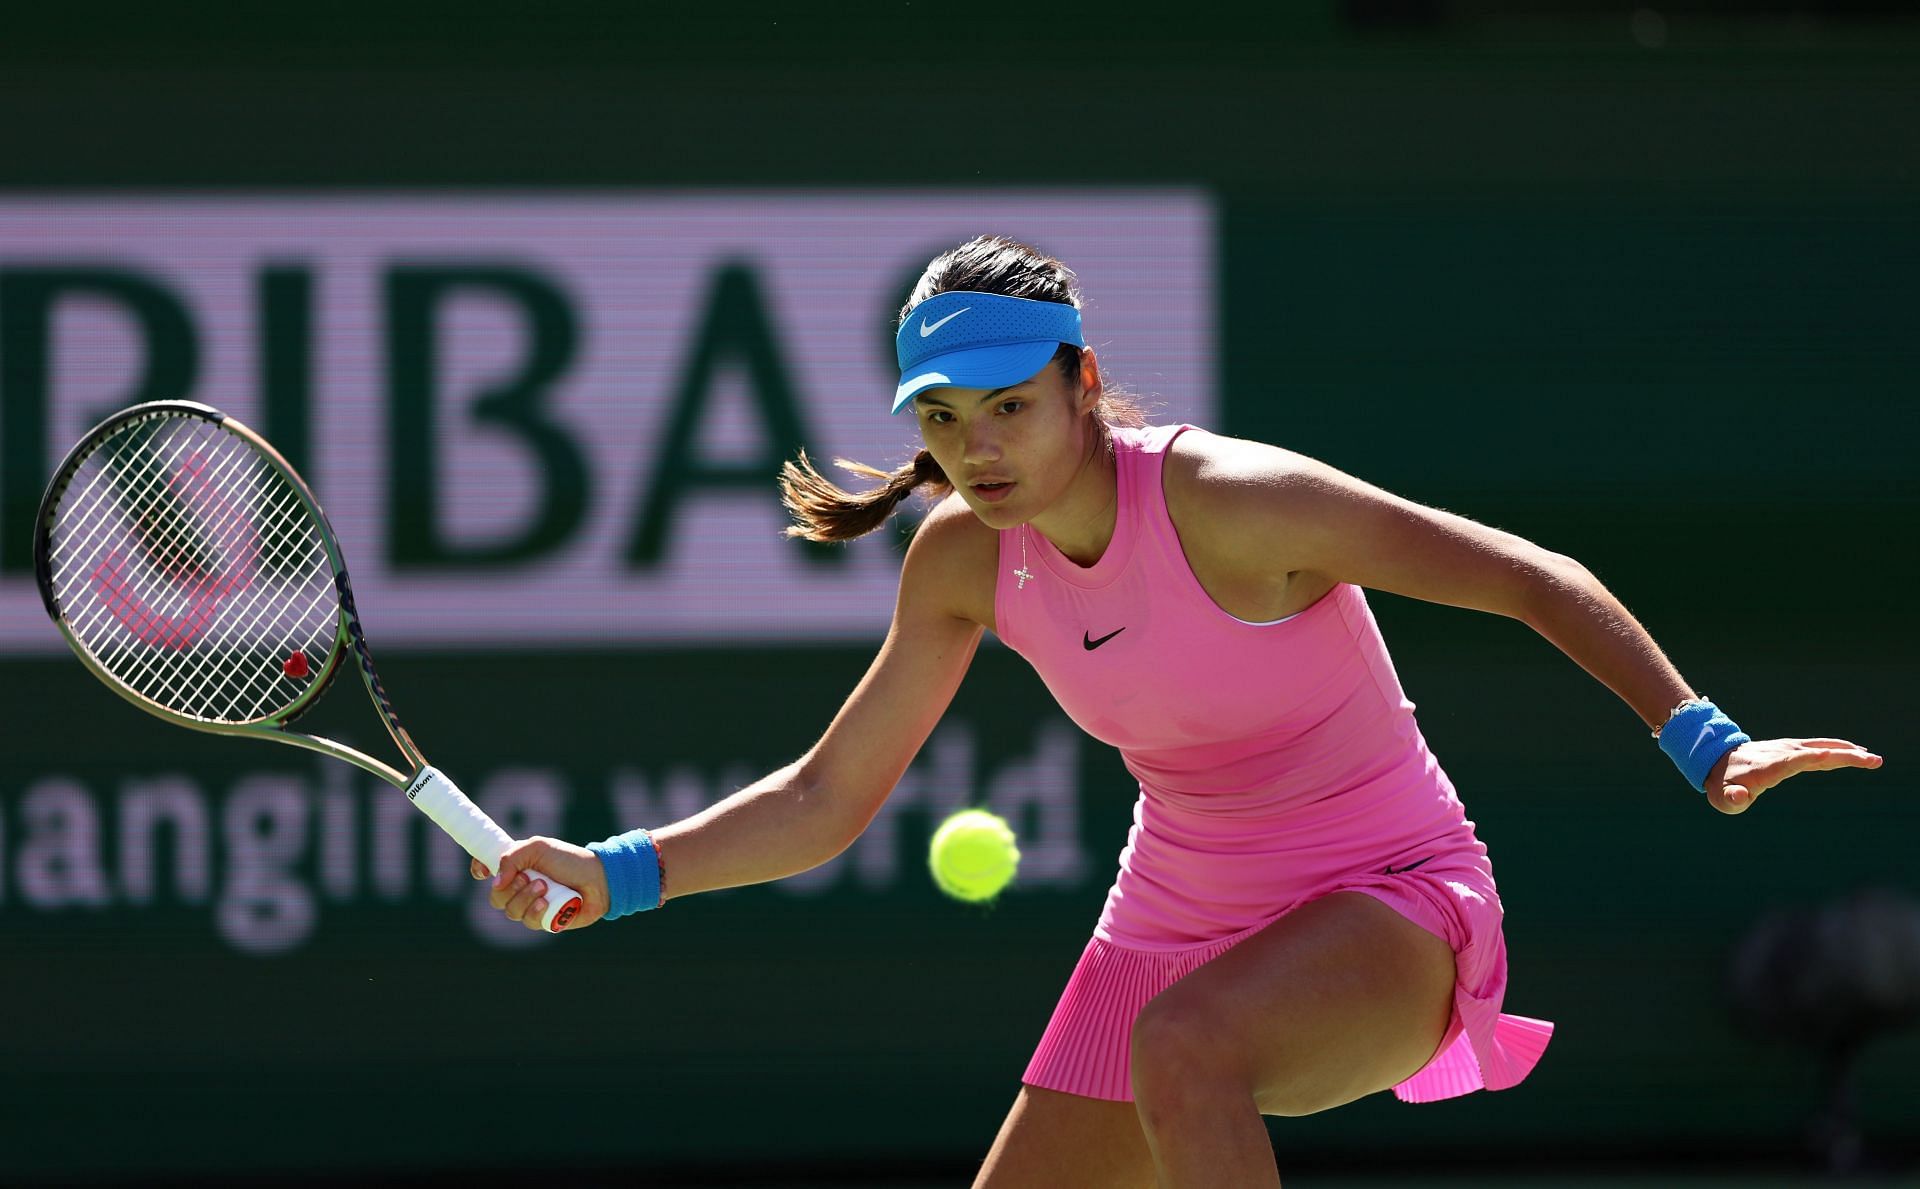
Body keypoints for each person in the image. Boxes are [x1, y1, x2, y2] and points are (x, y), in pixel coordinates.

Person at [473, 234, 1883, 1187]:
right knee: (1160, 1040)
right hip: (1171, 918)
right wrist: (623, 871)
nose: (975, 449)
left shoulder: (1235, 501)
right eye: (944, 419)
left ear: (1083, 385)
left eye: (1007, 407)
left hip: (1392, 898)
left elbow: (1530, 576)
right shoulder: (961, 557)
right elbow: (827, 797)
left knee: (1188, 1047)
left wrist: (1703, 734)